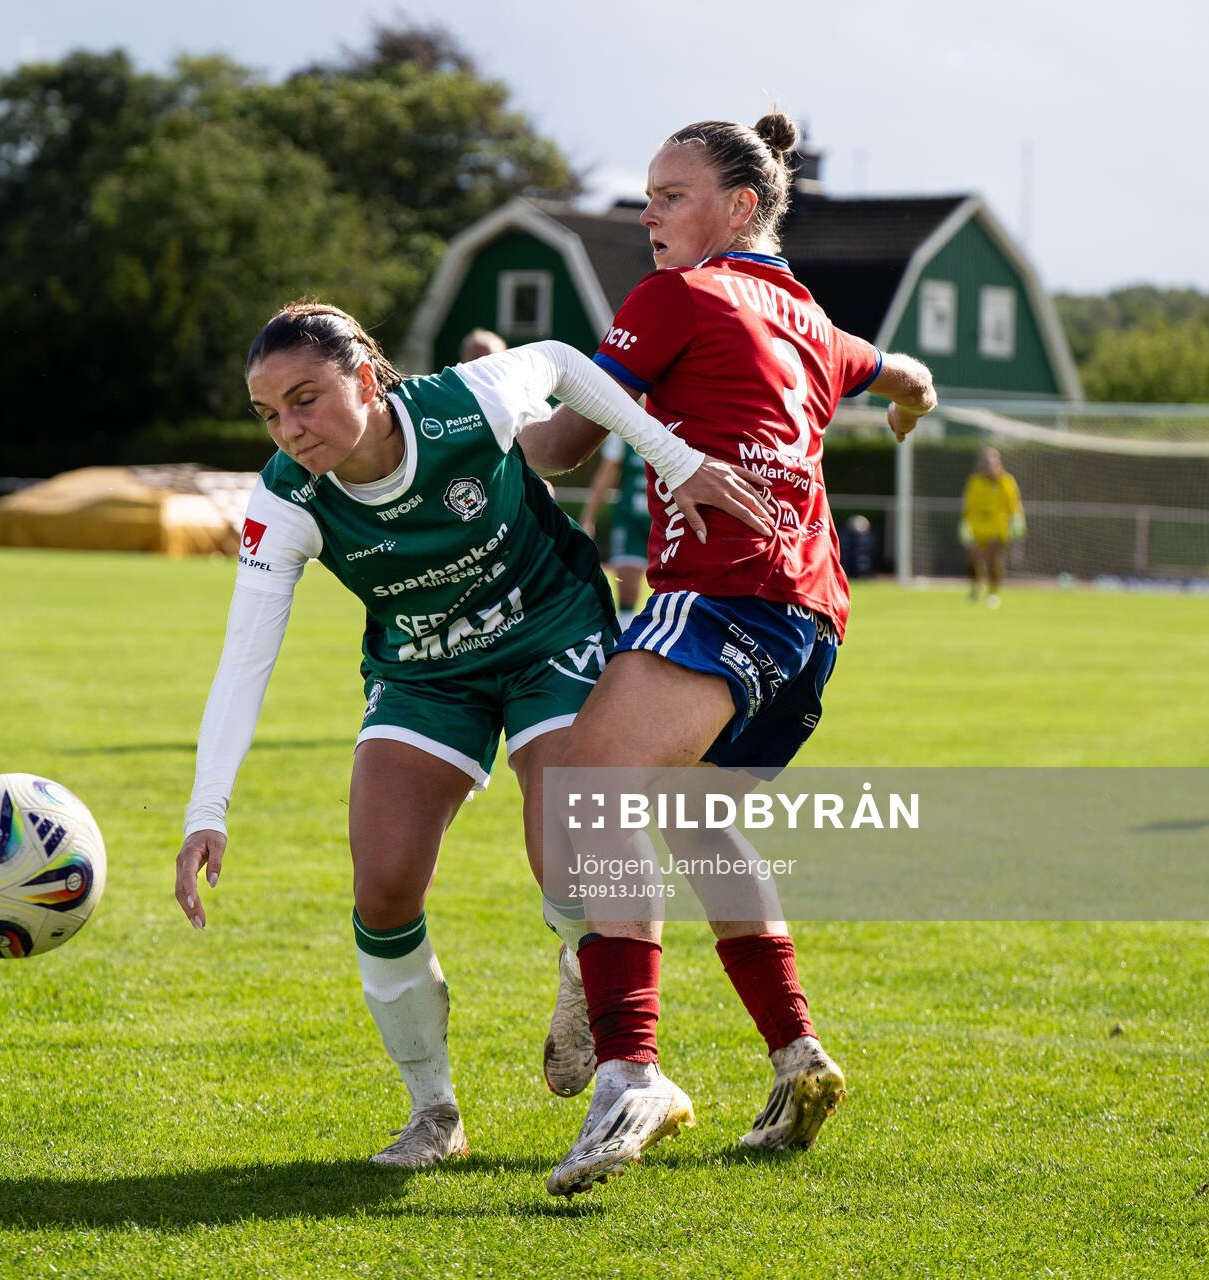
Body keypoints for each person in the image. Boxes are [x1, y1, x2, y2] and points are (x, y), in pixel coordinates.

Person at [174, 301, 771, 1169]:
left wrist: (674, 461)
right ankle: (434, 1115)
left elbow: (564, 361)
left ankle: (588, 971)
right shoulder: (285, 498)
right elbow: (243, 657)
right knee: (382, 888)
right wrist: (208, 809)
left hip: (550, 633)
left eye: (306, 399)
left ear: (368, 379)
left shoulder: (466, 402)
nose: (289, 429)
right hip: (426, 670)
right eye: (270, 413)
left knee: (570, 852)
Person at [515, 111, 937, 1194]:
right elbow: (903, 370)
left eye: (670, 193)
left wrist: (473, 413)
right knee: (699, 818)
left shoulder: (673, 299)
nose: (648, 214)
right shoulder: (808, 315)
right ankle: (797, 1052)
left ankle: (630, 1067)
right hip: (815, 621)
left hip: (723, 599)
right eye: (648, 194)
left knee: (585, 794)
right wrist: (914, 401)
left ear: (740, 206)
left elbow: (560, 450)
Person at [577, 436, 651, 626]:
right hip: (631, 518)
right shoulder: (624, 426)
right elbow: (606, 474)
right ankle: (624, 637)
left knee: (673, 588)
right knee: (626, 583)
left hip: (665, 519)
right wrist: (588, 518)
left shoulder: (678, 422)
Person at [961, 446, 1024, 607]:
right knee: (974, 559)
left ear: (998, 463)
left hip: (998, 528)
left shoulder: (1007, 481)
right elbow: (969, 504)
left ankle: (993, 593)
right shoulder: (975, 482)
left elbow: (1014, 504)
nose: (989, 467)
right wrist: (964, 523)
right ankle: (976, 587)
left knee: (994, 561)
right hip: (978, 528)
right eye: (986, 463)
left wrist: (1018, 520)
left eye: (992, 463)